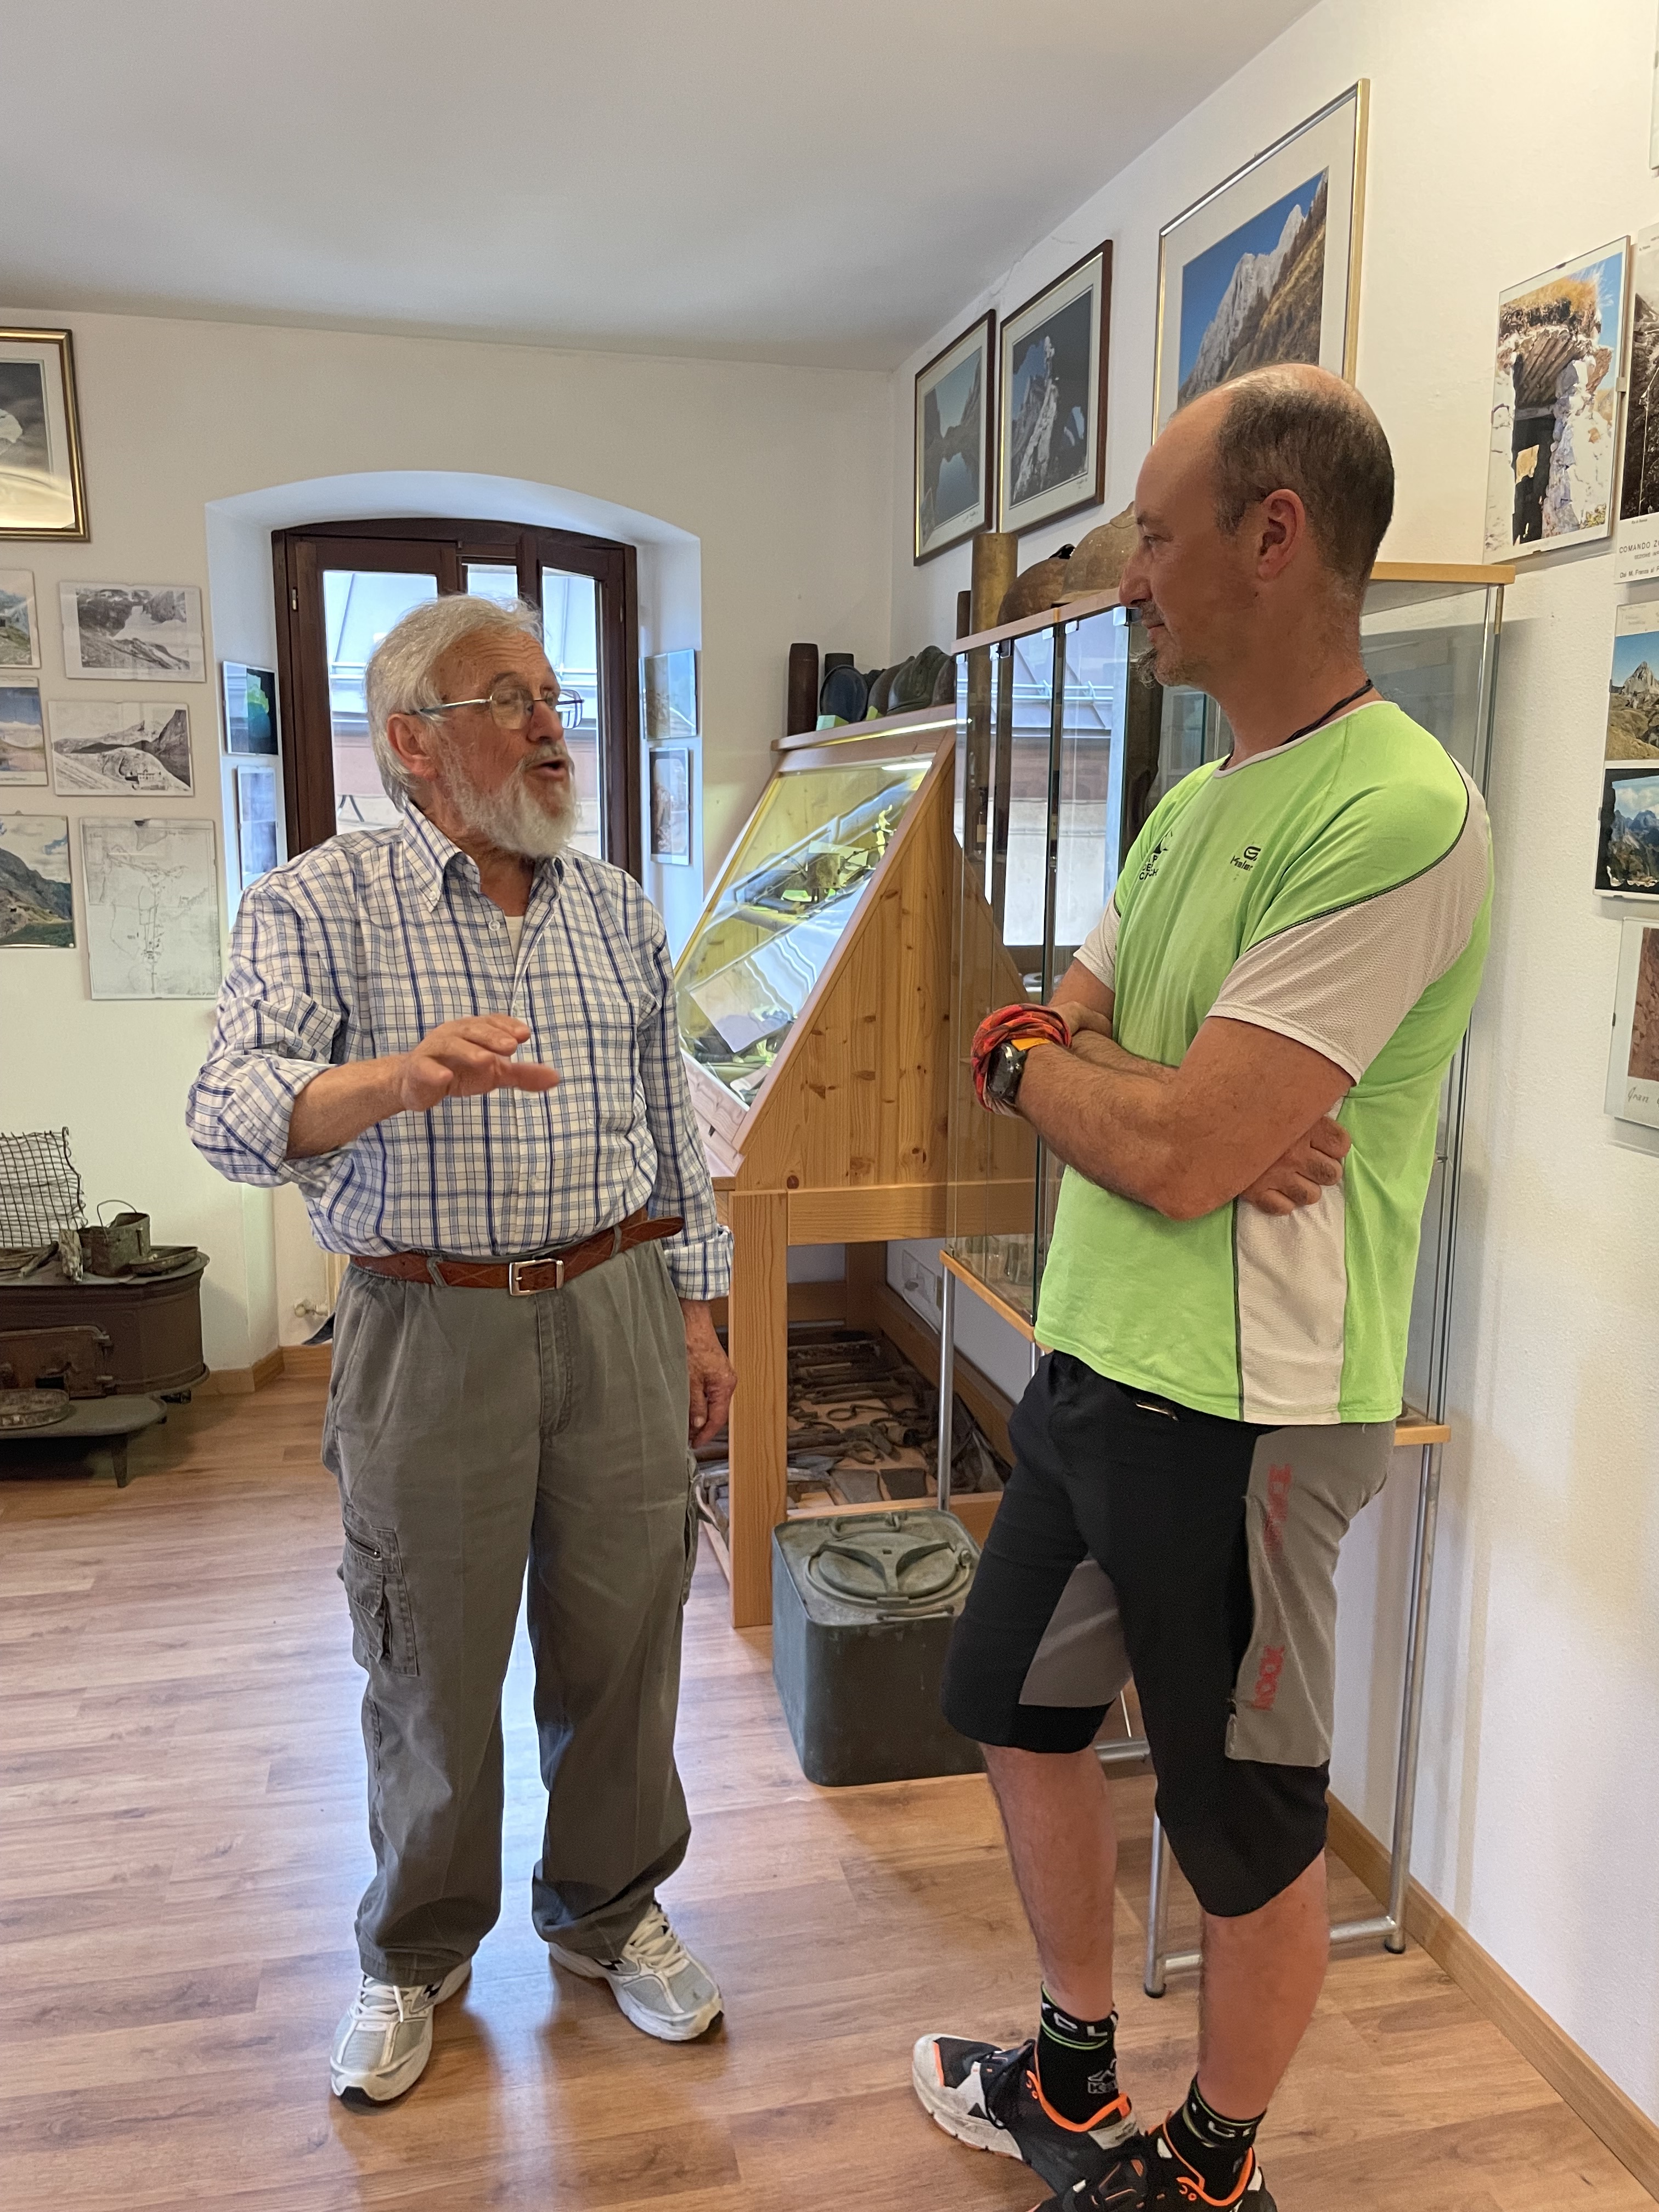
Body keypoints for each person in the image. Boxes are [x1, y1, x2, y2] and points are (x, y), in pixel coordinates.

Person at [912, 365, 1492, 2211]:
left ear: (1275, 536)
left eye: (1154, 541)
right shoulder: (1187, 805)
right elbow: (1048, 1037)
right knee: (1012, 1707)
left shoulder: (1398, 808)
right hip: (1093, 1359)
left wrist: (1112, 1090)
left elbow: (1163, 1149)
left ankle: (1216, 2167)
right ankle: (1073, 2068)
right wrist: (1085, 1072)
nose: (1131, 582)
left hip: (1251, 1411)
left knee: (1240, 1823)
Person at [187, 594, 736, 2107]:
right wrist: (392, 1082)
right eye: (509, 698)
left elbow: (670, 1130)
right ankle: (416, 1950)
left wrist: (697, 1314)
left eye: (553, 695)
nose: (552, 725)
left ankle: (609, 1909)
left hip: (617, 1307)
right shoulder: (316, 903)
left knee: (627, 1636)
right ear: (413, 744)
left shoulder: (616, 908)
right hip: (426, 1325)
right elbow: (227, 1114)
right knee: (426, 1658)